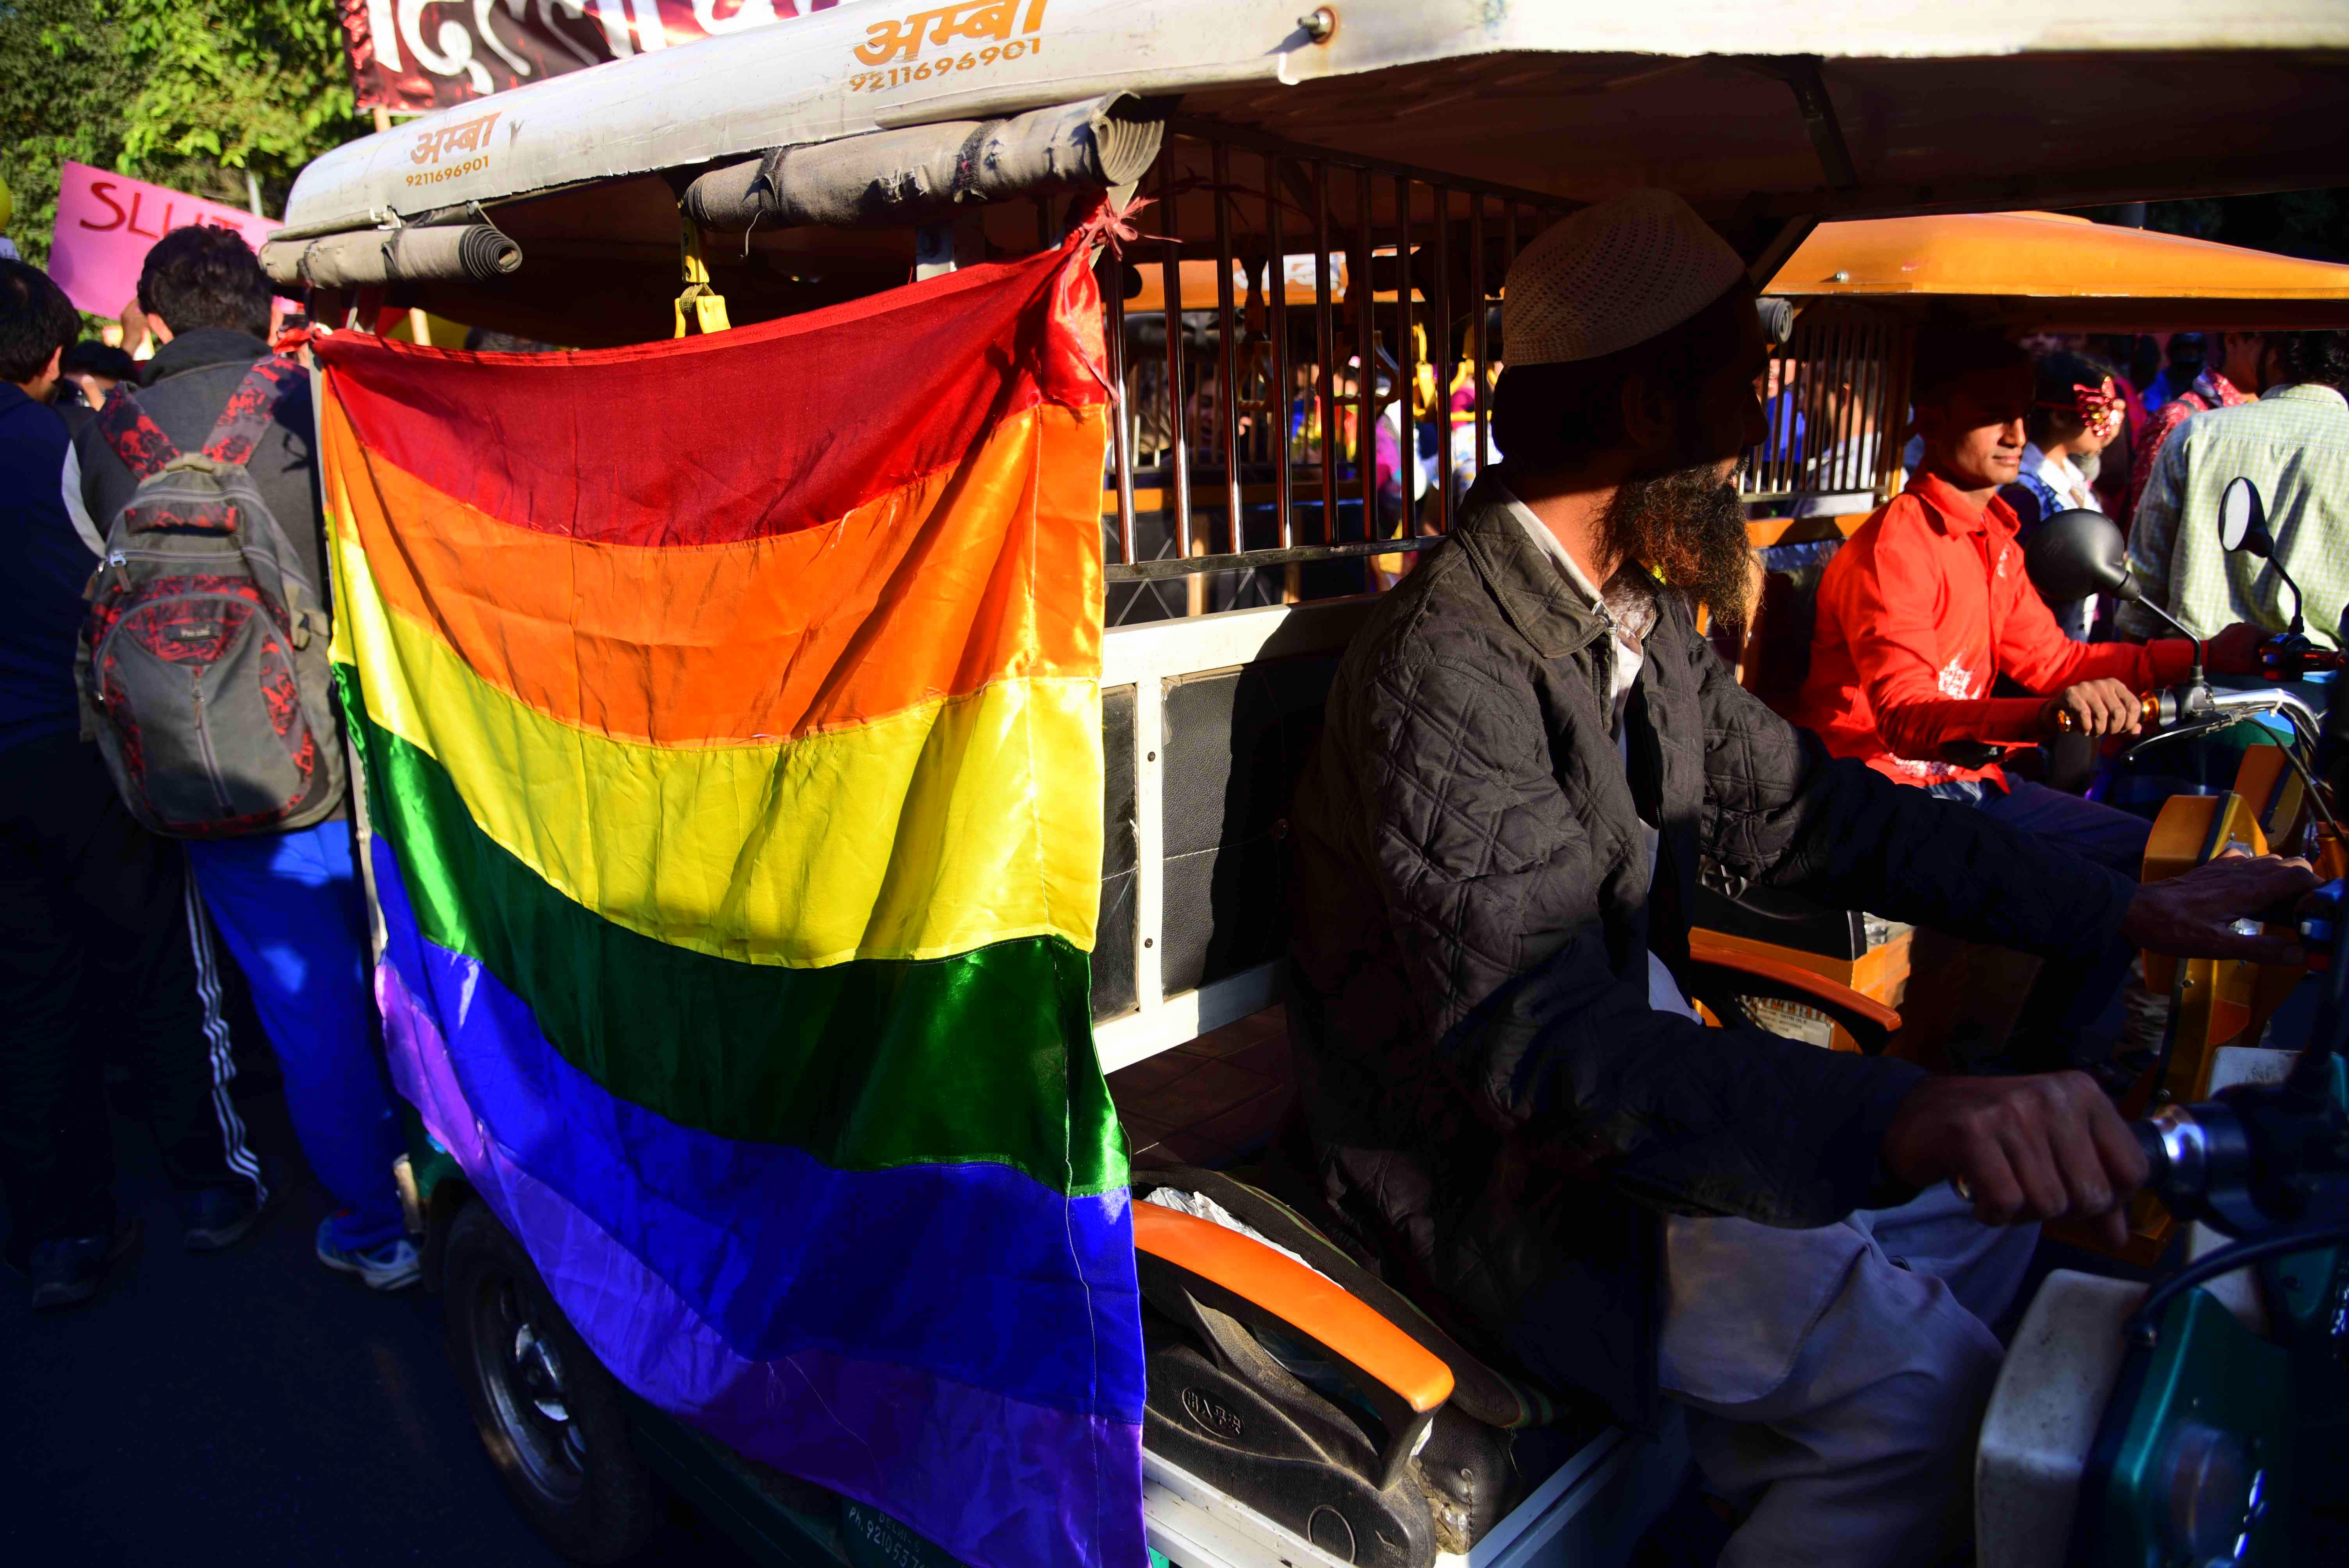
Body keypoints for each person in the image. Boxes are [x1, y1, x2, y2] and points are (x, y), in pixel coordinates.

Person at [1285, 190, 2312, 1567]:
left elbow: (1816, 812)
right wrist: (1909, 1111)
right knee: (1932, 1407)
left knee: (2018, 1238)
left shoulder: (1633, 616)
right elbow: (1542, 1050)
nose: (1759, 424)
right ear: (1648, 409)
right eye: (1738, 380)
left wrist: (2121, 904)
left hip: (1624, 1101)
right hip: (1492, 1179)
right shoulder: (1449, 662)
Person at [67, 226, 420, 1291]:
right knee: (420, 963)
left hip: (226, 769)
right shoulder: (322, 401)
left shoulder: (93, 446)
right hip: (365, 736)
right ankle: (471, 1183)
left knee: (305, 1009)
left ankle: (376, 1226)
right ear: (269, 311)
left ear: (154, 323)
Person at [1794, 329, 2265, 1069]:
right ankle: (1979, 1073)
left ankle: (2036, 1065)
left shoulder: (1995, 540)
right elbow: (1905, 718)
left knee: (2158, 860)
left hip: (1966, 783)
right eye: (1993, 415)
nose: (2017, 435)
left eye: (2021, 413)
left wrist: (2203, 656)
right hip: (1884, 789)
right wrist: (2044, 716)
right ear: (1931, 420)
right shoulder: (1899, 547)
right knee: (2083, 894)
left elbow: (2055, 659)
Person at [1, 258, 271, 1309]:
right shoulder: (74, 445)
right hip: (82, 748)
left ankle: (62, 1236)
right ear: (55, 353)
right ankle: (208, 1186)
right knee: (158, 964)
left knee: (28, 1000)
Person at [2118, 330, 2349, 649]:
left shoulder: (2197, 434)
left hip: (2197, 673)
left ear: (2272, 356)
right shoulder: (2193, 429)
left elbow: (2146, 575)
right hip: (2322, 680)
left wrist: (2134, 664)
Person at [2005, 349, 2129, 638]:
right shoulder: (2025, 491)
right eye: (2100, 411)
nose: (2110, 424)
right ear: (2060, 417)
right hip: (2043, 640)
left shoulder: (2071, 476)